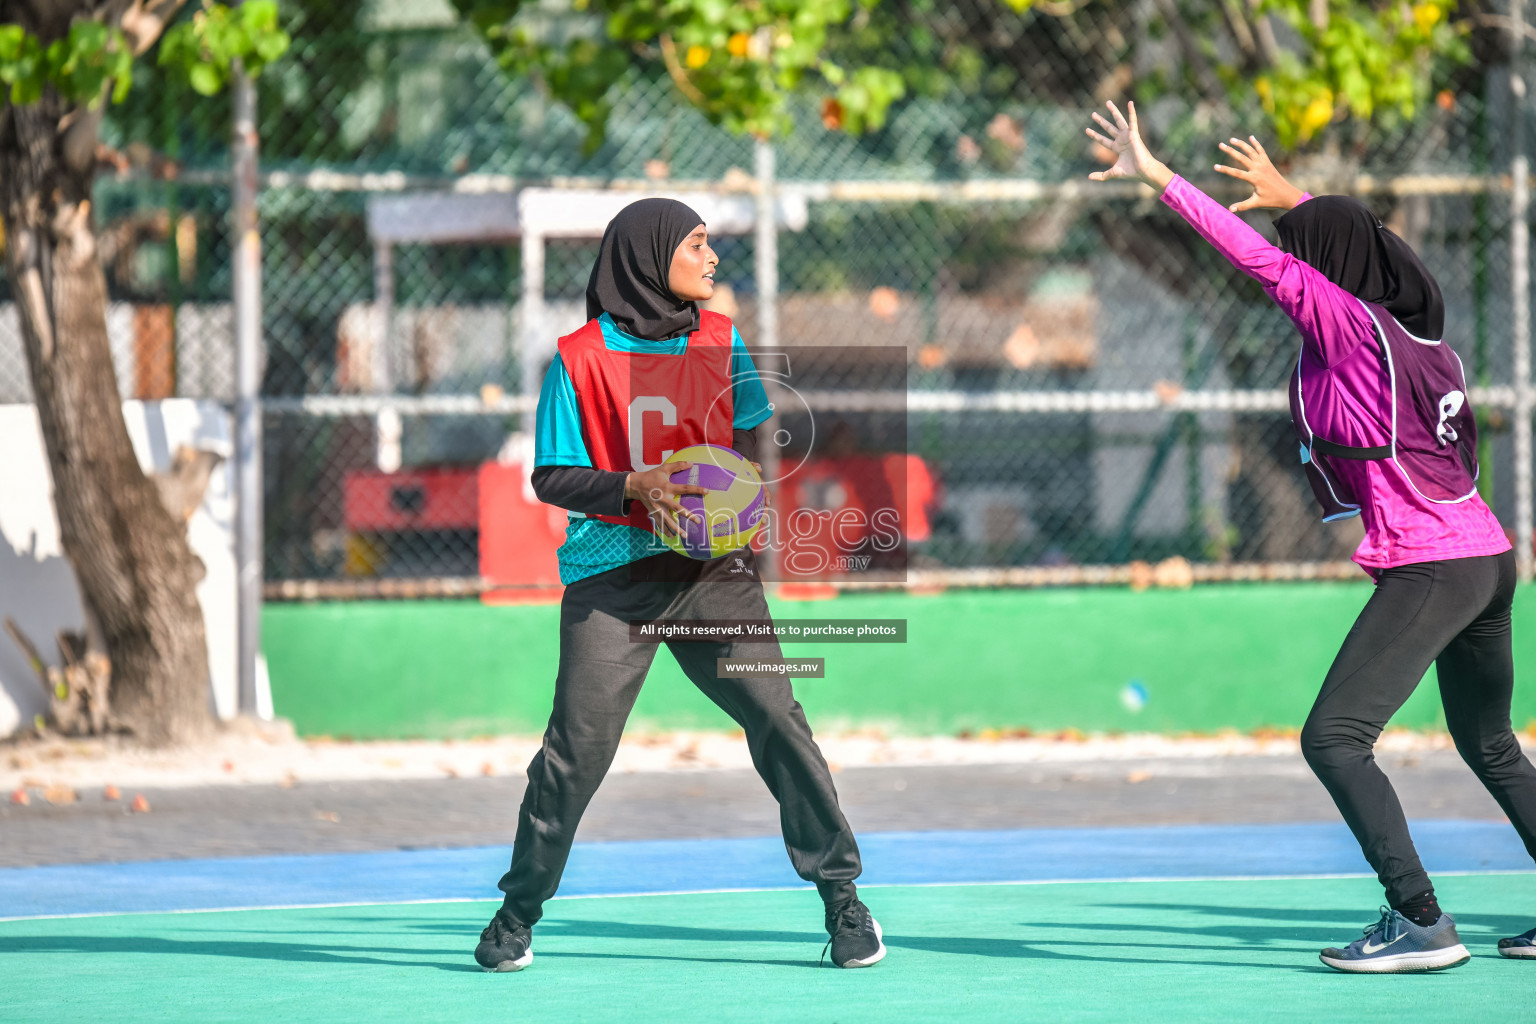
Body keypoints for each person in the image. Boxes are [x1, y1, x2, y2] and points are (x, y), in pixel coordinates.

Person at [1085, 99, 1536, 972]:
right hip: (1488, 555)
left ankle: (1422, 923)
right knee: (1489, 742)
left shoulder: (1346, 327)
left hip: (1435, 565)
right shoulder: (1423, 333)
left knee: (1333, 739)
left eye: (1310, 255)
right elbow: (1361, 240)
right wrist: (1296, 194)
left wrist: (1157, 175)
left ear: (1328, 273)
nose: (1299, 264)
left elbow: (1252, 255)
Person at [473, 197, 885, 972]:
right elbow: (551, 475)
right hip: (613, 578)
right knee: (576, 752)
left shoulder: (723, 341)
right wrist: (637, 487)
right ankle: (517, 912)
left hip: (712, 577)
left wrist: (734, 506)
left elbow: (748, 443)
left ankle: (843, 900)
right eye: (697, 243)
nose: (712, 255)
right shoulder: (579, 358)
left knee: (779, 721)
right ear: (647, 254)